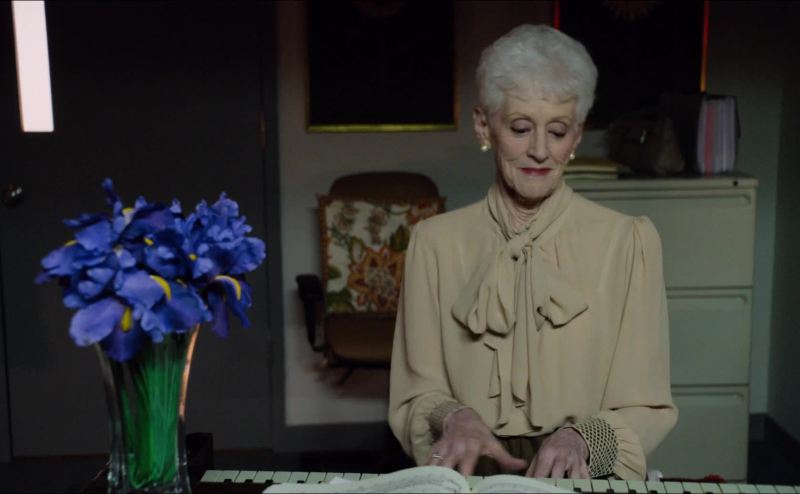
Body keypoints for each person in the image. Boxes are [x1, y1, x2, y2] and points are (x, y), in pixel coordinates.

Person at [388, 24, 677, 480]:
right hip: (467, 472)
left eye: (557, 131)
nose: (540, 151)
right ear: (484, 126)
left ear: (577, 136)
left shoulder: (628, 242)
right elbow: (415, 391)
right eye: (520, 128)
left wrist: (581, 440)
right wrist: (454, 418)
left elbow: (646, 401)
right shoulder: (433, 243)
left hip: (584, 474)